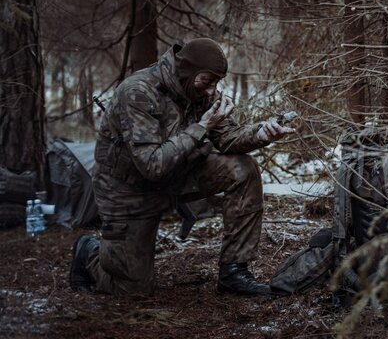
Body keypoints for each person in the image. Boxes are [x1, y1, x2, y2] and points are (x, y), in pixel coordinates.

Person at [69, 38, 294, 296]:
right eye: (207, 81)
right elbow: (151, 165)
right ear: (186, 71)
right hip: (129, 190)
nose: (212, 90)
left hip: (178, 173)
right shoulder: (138, 92)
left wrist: (261, 134)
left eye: (216, 83)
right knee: (131, 288)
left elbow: (227, 138)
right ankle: (89, 251)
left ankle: (234, 272)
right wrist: (201, 127)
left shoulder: (198, 91)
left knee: (242, 170)